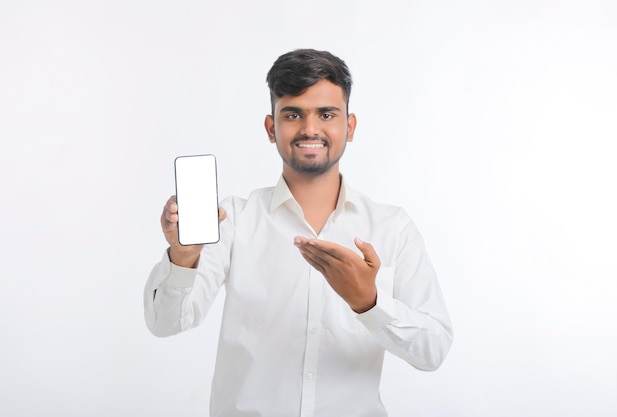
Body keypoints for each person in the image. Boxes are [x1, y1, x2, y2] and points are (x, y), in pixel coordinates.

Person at [144, 48, 453, 417]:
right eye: (293, 114)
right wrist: (183, 257)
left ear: (349, 127)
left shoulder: (392, 227)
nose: (310, 128)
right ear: (272, 128)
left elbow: (433, 350)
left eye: (326, 114)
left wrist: (369, 302)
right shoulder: (234, 220)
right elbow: (165, 324)